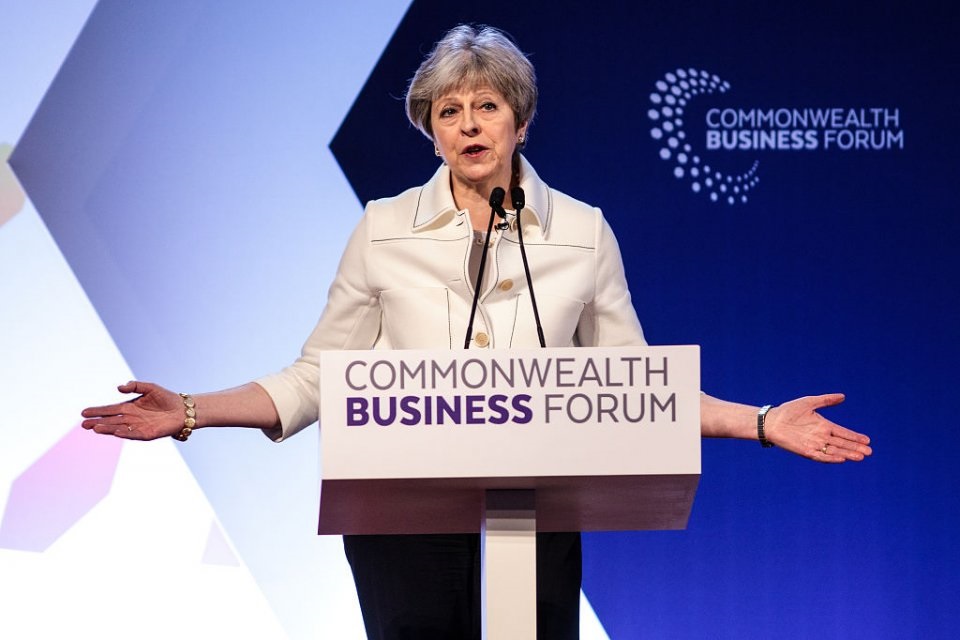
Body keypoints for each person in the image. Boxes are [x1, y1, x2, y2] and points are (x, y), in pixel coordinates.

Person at [81, 25, 872, 640]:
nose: (468, 125)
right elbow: (317, 376)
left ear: (519, 120)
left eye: (486, 106)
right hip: (398, 498)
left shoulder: (583, 232)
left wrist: (764, 423)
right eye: (448, 111)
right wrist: (188, 410)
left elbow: (637, 390)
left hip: (534, 495)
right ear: (430, 132)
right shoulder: (383, 228)